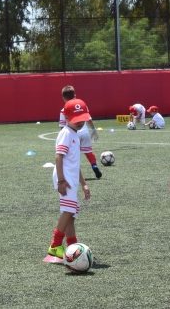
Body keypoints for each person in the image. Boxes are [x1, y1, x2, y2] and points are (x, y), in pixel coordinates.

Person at [47, 98, 91, 259]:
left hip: (70, 178)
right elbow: (58, 157)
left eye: (82, 119)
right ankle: (55, 245)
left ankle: (72, 246)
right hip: (64, 178)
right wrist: (61, 180)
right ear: (66, 118)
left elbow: (75, 163)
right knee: (68, 211)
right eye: (76, 119)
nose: (80, 122)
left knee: (71, 214)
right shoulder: (66, 133)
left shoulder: (75, 135)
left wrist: (84, 184)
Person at [59, 85, 102, 179]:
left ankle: (73, 174)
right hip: (85, 132)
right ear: (75, 95)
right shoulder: (82, 105)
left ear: (63, 98)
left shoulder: (63, 110)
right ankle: (94, 166)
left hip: (73, 134)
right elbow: (88, 118)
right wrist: (93, 130)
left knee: (71, 155)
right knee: (89, 152)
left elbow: (62, 126)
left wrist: (62, 138)